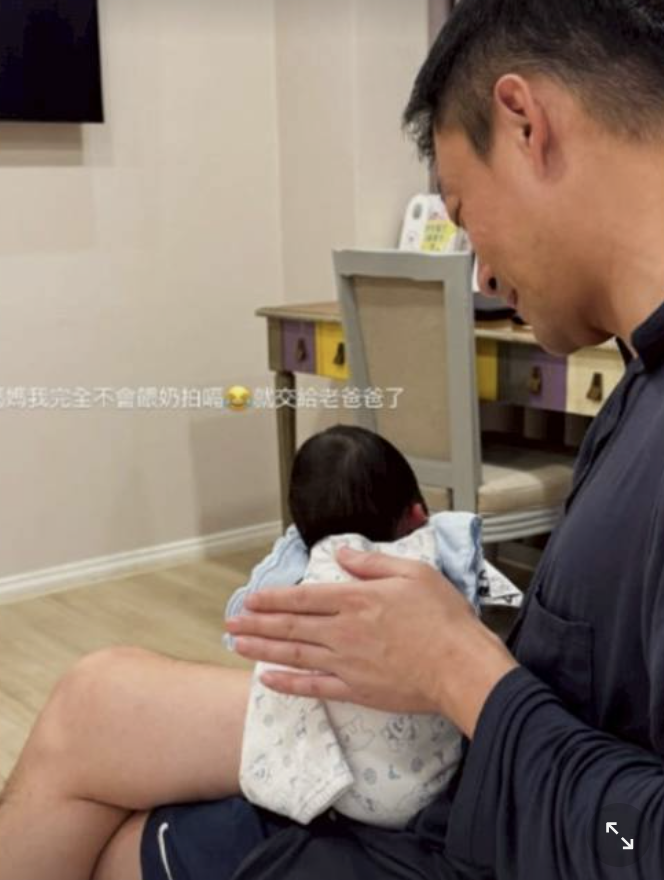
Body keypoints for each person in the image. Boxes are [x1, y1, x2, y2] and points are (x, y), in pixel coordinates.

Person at [2, 0, 664, 877]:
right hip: (483, 771)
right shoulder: (637, 380)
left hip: (504, 828)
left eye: (465, 214)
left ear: (524, 122)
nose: (482, 270)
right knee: (94, 704)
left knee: (120, 846)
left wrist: (458, 669)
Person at [234, 425, 482, 829]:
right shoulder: (433, 559)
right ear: (417, 514)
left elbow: (243, 634)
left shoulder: (294, 586)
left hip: (337, 793)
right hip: (434, 787)